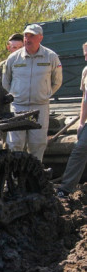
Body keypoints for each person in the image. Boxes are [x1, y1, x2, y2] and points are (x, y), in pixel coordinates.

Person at [2, 24, 62, 162]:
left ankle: (34, 180)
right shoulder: (13, 58)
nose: (28, 39)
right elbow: (6, 82)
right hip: (18, 107)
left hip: (39, 108)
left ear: (40, 38)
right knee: (15, 144)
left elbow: (57, 81)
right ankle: (15, 178)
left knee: (37, 144)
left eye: (32, 36)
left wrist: (45, 95)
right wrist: (15, 96)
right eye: (26, 36)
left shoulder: (51, 57)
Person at [56, 42, 87, 198]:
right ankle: (66, 188)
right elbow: (85, 98)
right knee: (79, 151)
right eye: (86, 55)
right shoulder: (86, 71)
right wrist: (81, 122)